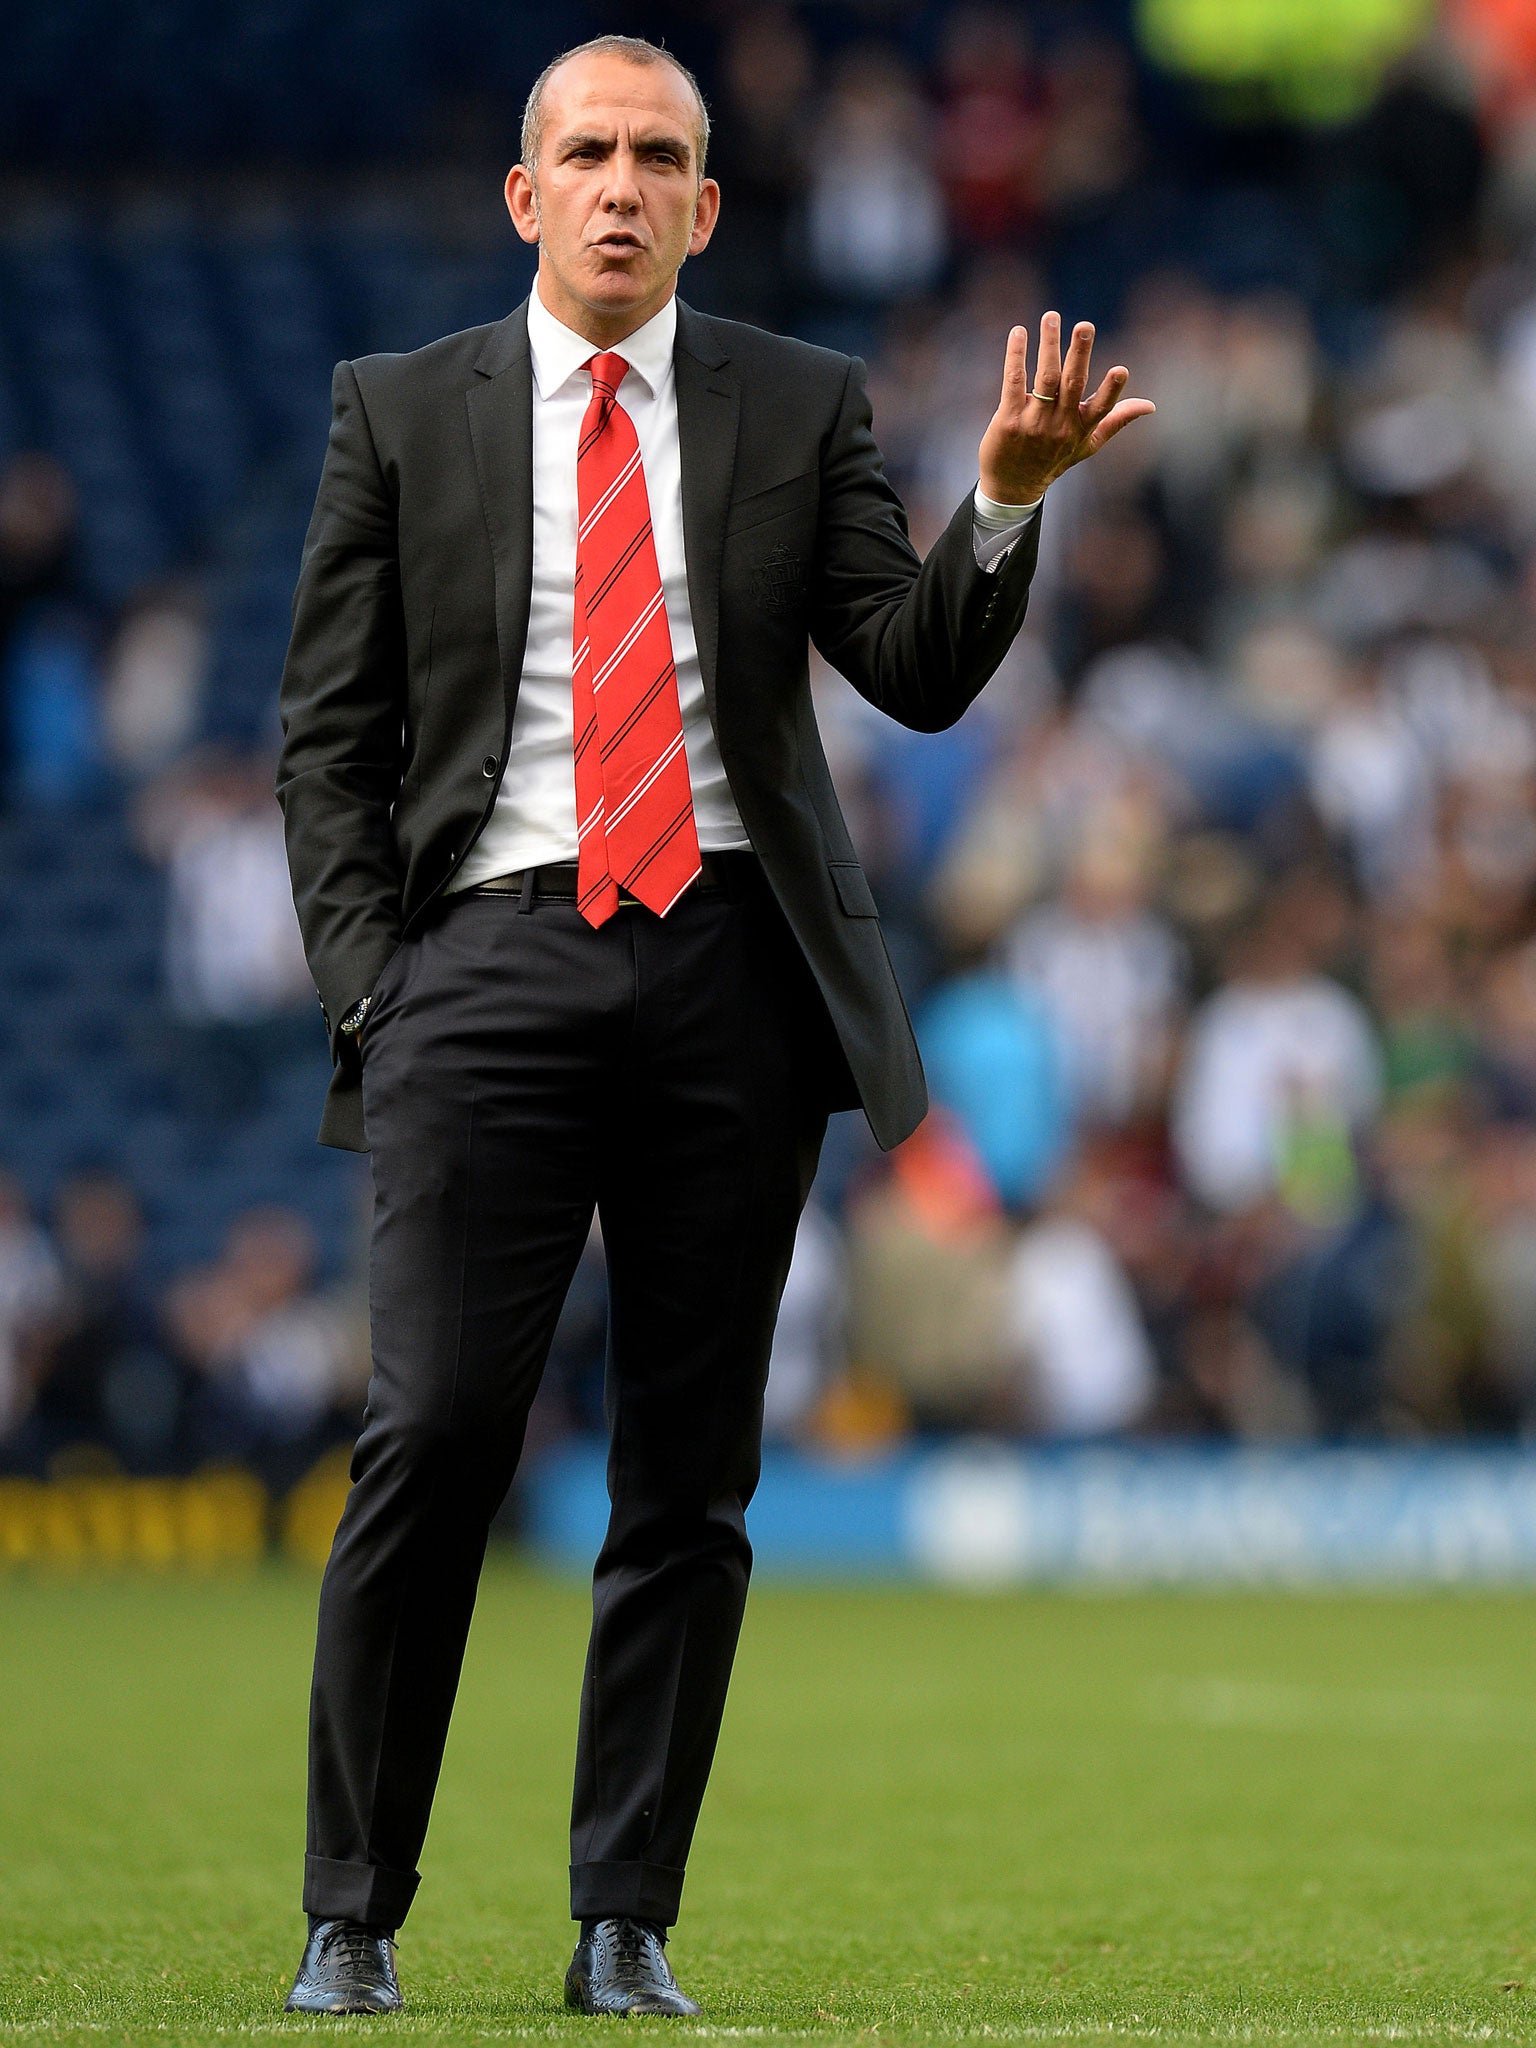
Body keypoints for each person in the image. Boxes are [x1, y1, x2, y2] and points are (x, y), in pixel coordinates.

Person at [275, 33, 1152, 2020]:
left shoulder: (802, 400)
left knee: (692, 1475)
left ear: (703, 202)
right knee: (434, 1429)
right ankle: (353, 1905)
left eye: (656, 156)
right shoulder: (400, 413)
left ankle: (621, 1920)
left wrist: (1002, 510)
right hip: (479, 970)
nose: (617, 184)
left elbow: (915, 675)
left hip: (728, 981)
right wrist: (369, 986)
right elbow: (323, 745)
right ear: (525, 194)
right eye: (583, 151)